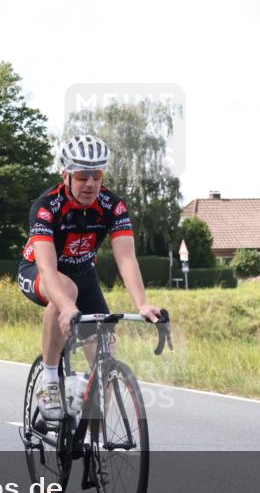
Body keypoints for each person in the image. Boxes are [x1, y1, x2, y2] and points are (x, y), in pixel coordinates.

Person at [18, 134, 162, 422]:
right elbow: (47, 268)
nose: (91, 184)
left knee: (106, 357)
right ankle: (48, 378)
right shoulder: (47, 206)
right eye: (83, 176)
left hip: (85, 275)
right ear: (66, 175)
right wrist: (66, 306)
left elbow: (126, 258)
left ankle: (91, 437)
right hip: (39, 272)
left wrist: (143, 304)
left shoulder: (112, 206)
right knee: (66, 290)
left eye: (97, 176)